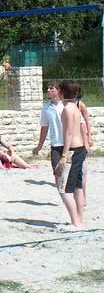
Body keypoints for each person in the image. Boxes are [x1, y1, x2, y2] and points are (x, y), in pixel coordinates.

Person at [56, 81, 90, 230]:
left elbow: (68, 133)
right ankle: (80, 222)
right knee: (78, 188)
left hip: (73, 151)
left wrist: (64, 155)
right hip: (81, 148)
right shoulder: (76, 107)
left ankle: (76, 223)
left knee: (64, 189)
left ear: (62, 92)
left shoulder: (67, 109)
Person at [33, 82, 64, 178]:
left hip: (69, 143)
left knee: (70, 170)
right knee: (56, 169)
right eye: (48, 88)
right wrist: (39, 145)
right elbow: (44, 127)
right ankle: (61, 189)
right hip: (56, 144)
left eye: (51, 88)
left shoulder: (66, 106)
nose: (48, 90)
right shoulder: (46, 108)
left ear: (59, 90)